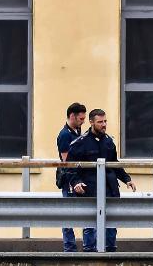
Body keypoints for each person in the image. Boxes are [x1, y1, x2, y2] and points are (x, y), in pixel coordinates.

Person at [67, 108, 136, 252]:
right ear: (91, 122)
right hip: (90, 189)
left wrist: (126, 179)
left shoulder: (109, 141)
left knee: (111, 223)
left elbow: (115, 164)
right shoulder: (80, 143)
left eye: (105, 121)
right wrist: (76, 182)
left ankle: (110, 251)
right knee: (90, 224)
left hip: (109, 189)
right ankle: (90, 253)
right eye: (100, 122)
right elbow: (71, 168)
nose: (104, 124)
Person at [56, 102, 86, 252]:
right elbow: (67, 161)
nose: (83, 122)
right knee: (68, 214)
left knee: (84, 213)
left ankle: (85, 246)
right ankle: (70, 248)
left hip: (78, 177)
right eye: (81, 119)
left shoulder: (77, 131)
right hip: (69, 178)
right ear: (72, 116)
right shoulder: (65, 135)